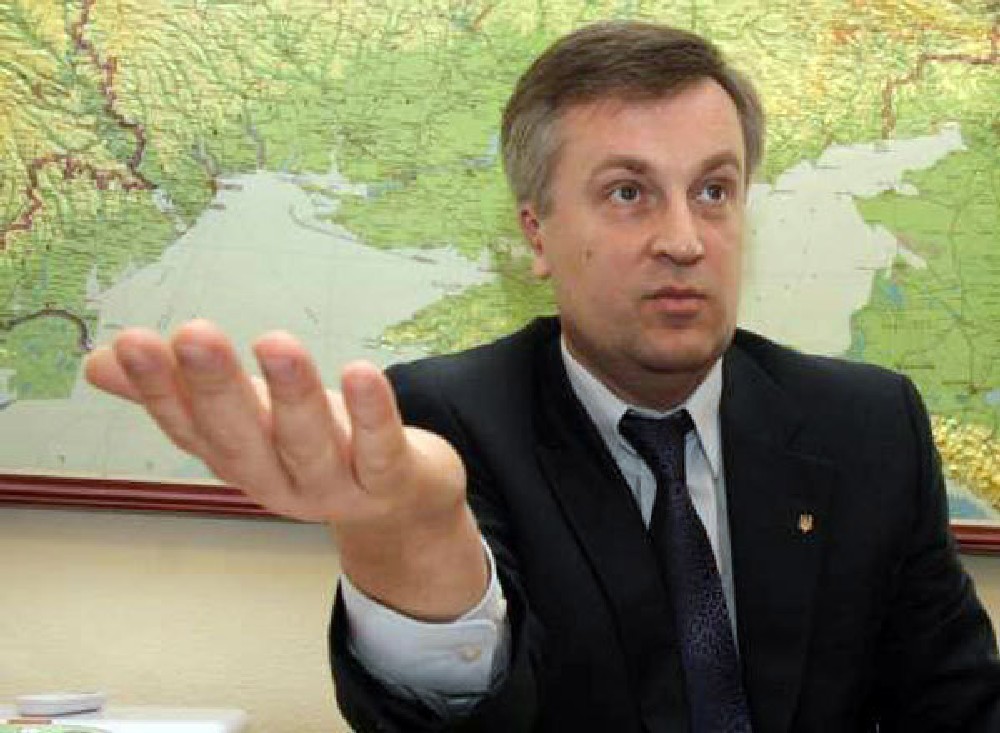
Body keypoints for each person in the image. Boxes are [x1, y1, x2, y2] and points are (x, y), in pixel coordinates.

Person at [85, 20, 1000, 733]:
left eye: (713, 190)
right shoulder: (446, 419)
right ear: (536, 232)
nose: (684, 239)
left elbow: (957, 706)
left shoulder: (866, 423)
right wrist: (415, 547)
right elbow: (454, 721)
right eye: (628, 192)